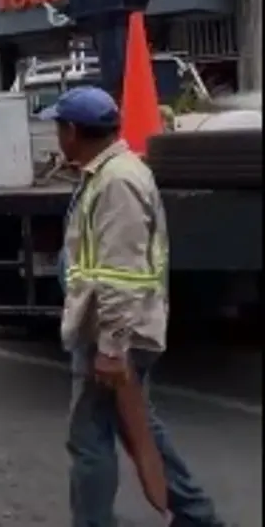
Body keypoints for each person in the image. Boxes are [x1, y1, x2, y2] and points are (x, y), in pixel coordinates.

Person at [41, 86, 224, 527]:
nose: (56, 138)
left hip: (113, 333)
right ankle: (196, 515)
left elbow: (120, 275)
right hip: (120, 330)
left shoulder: (117, 181)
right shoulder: (111, 171)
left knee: (88, 440)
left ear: (72, 131)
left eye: (58, 128)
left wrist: (110, 348)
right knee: (137, 424)